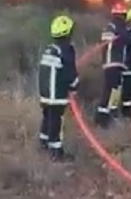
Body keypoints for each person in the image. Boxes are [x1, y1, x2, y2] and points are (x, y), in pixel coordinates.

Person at [38, 14, 79, 162]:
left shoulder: (50, 49)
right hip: (57, 95)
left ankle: (43, 143)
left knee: (47, 118)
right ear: (68, 33)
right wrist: (74, 87)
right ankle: (56, 152)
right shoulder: (66, 50)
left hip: (45, 94)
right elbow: (70, 73)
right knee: (56, 122)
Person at [94, 2, 131, 128]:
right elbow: (128, 39)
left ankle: (101, 118)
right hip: (115, 63)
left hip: (107, 63)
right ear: (123, 15)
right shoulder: (119, 26)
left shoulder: (108, 27)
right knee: (114, 90)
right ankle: (109, 118)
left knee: (107, 90)